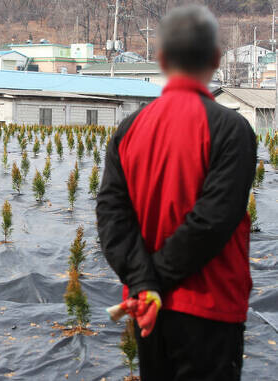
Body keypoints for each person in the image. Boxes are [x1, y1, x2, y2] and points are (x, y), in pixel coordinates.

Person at [96, 5, 257, 381]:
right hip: (210, 308)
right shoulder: (230, 129)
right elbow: (213, 220)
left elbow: (111, 216)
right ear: (216, 58)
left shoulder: (130, 128)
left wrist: (144, 282)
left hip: (149, 309)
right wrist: (155, 281)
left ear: (162, 59)